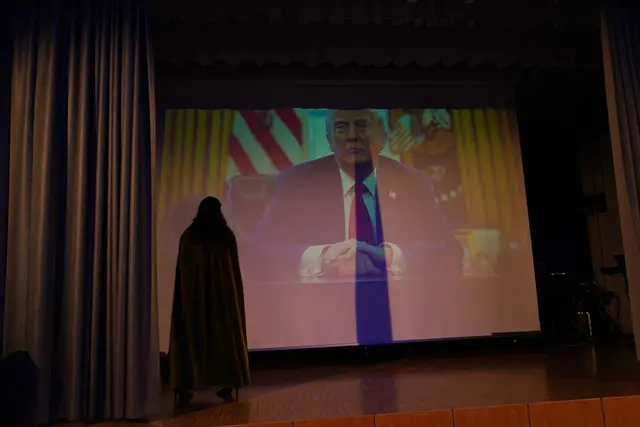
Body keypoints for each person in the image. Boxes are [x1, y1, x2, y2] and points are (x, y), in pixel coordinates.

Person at [250, 109, 463, 282]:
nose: (352, 136)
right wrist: (323, 257)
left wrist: (388, 256)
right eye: (341, 127)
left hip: (399, 306)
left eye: (362, 126)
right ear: (330, 140)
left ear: (383, 137)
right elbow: (256, 254)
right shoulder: (298, 183)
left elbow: (451, 253)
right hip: (318, 307)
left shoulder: (412, 183)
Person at [169, 197, 250, 405]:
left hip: (194, 301)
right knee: (223, 340)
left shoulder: (190, 236)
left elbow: (184, 274)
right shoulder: (225, 236)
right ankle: (226, 386)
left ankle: (186, 387)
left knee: (190, 337)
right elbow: (233, 274)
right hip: (223, 303)